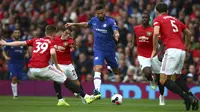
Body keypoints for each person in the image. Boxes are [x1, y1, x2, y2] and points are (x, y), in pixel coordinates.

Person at [0, 25, 100, 104]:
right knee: (65, 80)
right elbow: (52, 53)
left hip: (32, 71)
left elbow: (20, 43)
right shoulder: (51, 42)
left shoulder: (36, 40)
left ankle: (62, 100)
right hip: (43, 68)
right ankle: (86, 97)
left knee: (60, 79)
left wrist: (6, 43)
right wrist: (56, 65)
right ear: (53, 33)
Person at [151, 3, 198, 110]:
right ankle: (192, 97)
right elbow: (189, 33)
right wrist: (186, 47)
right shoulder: (175, 19)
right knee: (176, 77)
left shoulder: (158, 19)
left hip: (171, 50)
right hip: (181, 50)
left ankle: (187, 98)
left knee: (163, 80)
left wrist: (154, 49)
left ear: (157, 12)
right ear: (167, 11)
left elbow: (155, 33)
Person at [65, 4, 120, 97]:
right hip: (99, 50)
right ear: (95, 13)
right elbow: (86, 24)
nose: (100, 15)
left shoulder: (110, 21)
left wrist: (116, 34)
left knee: (116, 71)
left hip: (110, 50)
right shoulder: (94, 20)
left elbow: (115, 30)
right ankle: (97, 91)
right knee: (97, 68)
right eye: (98, 13)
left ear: (105, 12)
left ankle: (109, 67)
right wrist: (73, 24)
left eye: (102, 13)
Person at [133, 12, 165, 105]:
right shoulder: (136, 28)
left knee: (160, 79)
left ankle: (162, 96)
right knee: (147, 72)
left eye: (146, 17)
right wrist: (132, 44)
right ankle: (151, 80)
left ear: (149, 19)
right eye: (143, 17)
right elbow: (134, 37)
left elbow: (162, 43)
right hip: (142, 55)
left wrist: (159, 53)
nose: (144, 19)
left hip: (153, 55)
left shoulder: (153, 30)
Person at [53, 28, 86, 106]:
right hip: (58, 64)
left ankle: (83, 97)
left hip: (68, 65)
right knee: (57, 80)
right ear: (62, 32)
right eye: (66, 33)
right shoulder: (55, 39)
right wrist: (56, 47)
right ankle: (60, 98)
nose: (67, 35)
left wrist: (74, 47)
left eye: (69, 34)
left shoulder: (70, 41)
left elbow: (73, 46)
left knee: (76, 82)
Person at [2, 29, 29, 99]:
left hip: (21, 63)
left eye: (18, 33)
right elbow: (3, 50)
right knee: (14, 77)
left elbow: (26, 51)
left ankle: (15, 86)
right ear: (13, 34)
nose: (17, 34)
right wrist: (5, 56)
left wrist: (27, 54)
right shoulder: (9, 42)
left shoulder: (23, 42)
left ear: (20, 34)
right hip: (12, 62)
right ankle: (15, 95)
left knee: (18, 80)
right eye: (15, 33)